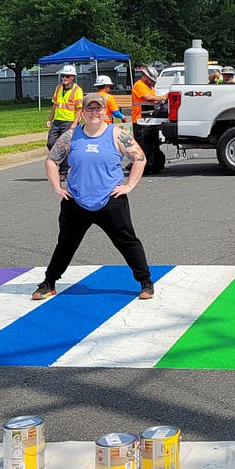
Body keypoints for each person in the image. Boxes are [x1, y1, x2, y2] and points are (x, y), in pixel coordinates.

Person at [34, 92, 154, 301]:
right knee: (66, 243)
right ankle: (49, 282)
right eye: (89, 108)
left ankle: (145, 282)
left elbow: (139, 157)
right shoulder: (71, 136)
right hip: (76, 201)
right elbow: (51, 160)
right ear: (83, 112)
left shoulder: (116, 134)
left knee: (127, 241)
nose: (94, 112)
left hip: (110, 200)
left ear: (105, 110)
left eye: (98, 108)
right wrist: (57, 186)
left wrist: (129, 185)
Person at [47, 65, 83, 150]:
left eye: (67, 76)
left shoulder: (77, 90)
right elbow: (55, 105)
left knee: (65, 144)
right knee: (50, 143)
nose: (64, 78)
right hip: (57, 121)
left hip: (68, 122)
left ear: (73, 77)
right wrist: (50, 119)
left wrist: (74, 123)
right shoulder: (58, 88)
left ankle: (65, 162)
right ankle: (60, 159)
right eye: (63, 76)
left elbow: (79, 109)